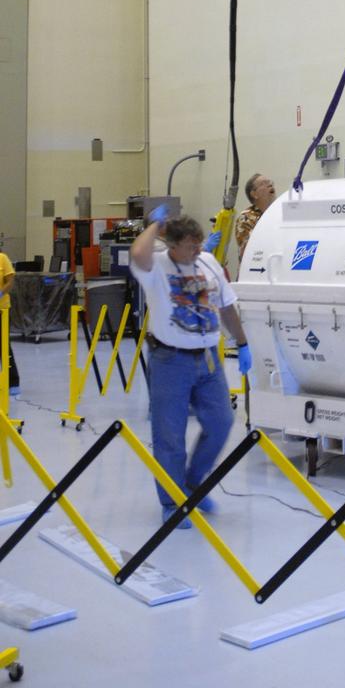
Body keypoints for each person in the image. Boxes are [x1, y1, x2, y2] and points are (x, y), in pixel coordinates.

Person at [130, 208, 252, 526]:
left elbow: (226, 305)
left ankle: (194, 483)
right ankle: (172, 501)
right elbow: (138, 251)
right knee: (169, 434)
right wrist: (156, 223)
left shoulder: (207, 262)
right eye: (190, 245)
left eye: (199, 244)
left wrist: (242, 343)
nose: (198, 250)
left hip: (209, 357)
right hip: (170, 360)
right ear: (172, 245)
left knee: (222, 421)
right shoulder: (155, 266)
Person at [234, 173, 276, 262]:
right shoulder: (246, 218)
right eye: (263, 184)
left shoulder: (279, 213)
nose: (270, 184)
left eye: (269, 182)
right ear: (254, 194)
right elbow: (249, 250)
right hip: (255, 268)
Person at [0, 249, 20, 395]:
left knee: (4, 346)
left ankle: (13, 381)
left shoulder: (2, 258)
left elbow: (10, 281)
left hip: (2, 310)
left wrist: (0, 293)